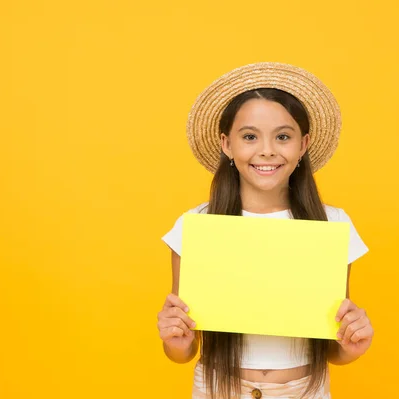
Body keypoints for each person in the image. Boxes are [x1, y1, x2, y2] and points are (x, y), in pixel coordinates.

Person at [157, 62, 374, 399]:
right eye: (249, 137)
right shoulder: (196, 225)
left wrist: (354, 344)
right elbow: (182, 351)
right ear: (227, 144)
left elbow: (332, 348)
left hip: (305, 390)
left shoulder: (332, 224)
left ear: (303, 145)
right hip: (218, 388)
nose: (267, 150)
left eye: (283, 137)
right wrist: (175, 340)